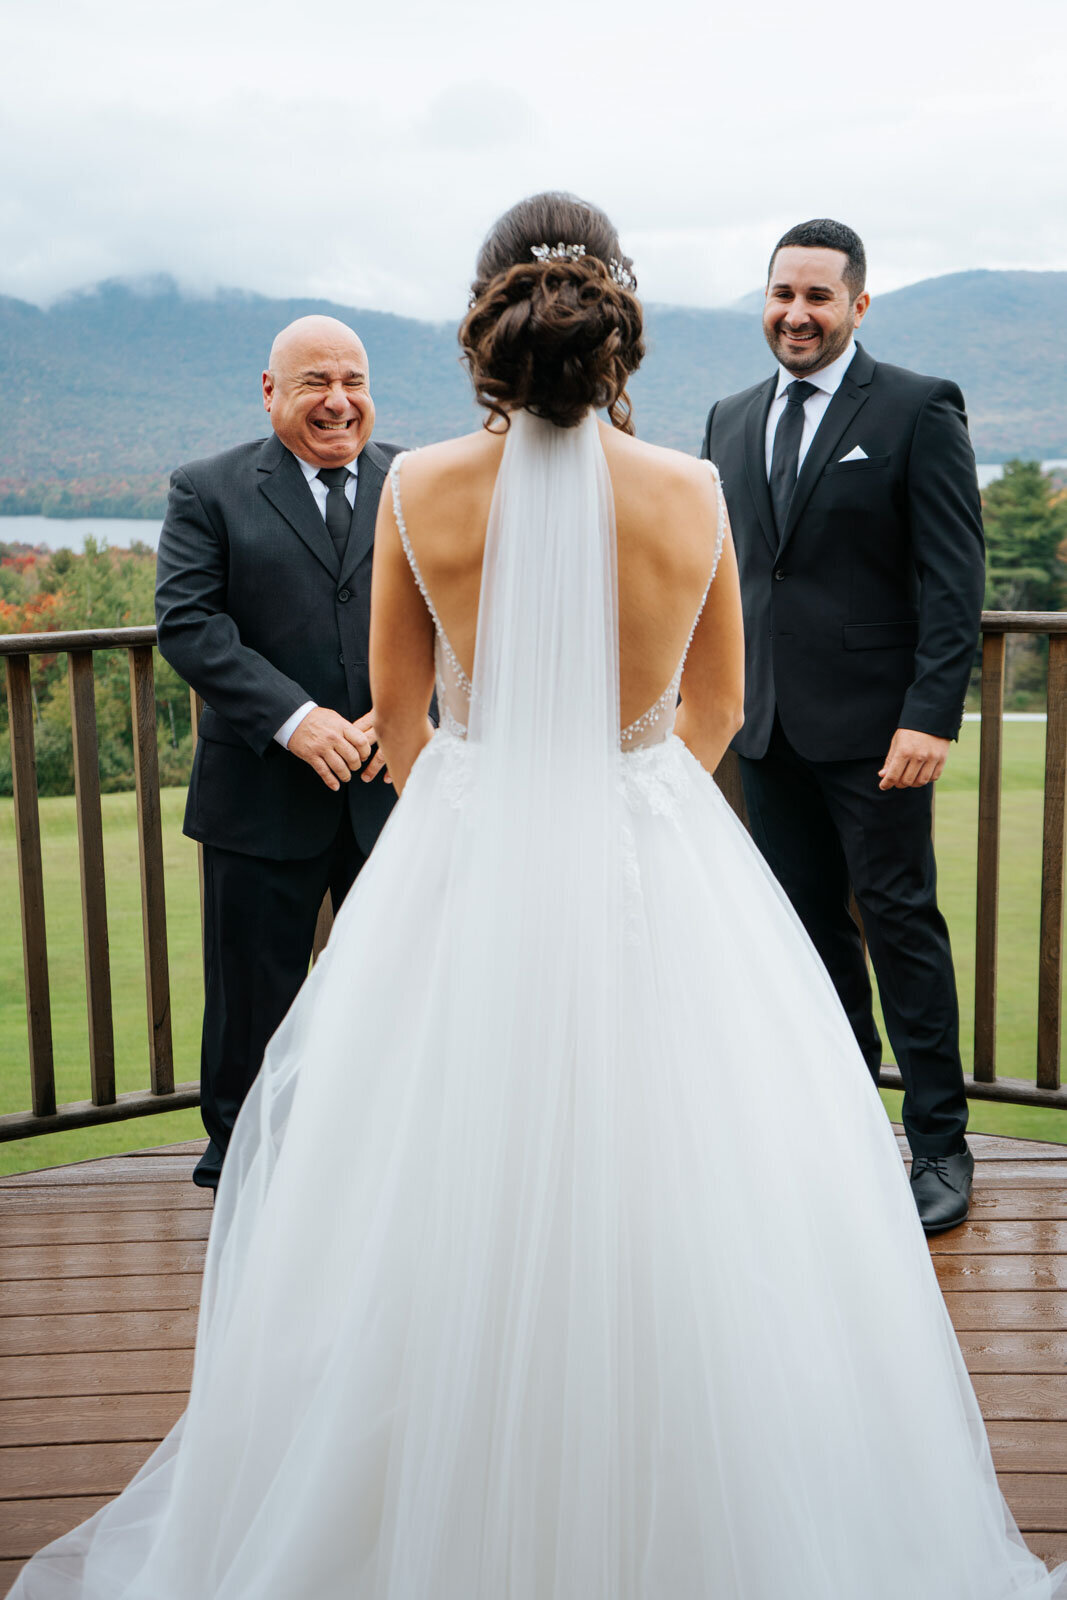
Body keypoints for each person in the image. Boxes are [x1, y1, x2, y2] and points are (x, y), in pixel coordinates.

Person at [12, 195, 1062, 1599]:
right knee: (694, 1171)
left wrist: (508, 799)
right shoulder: (687, 488)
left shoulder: (420, 488)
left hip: (471, 845)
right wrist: (625, 801)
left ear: (483, 319)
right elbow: (720, 704)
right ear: (615, 316)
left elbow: (397, 716)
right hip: (651, 850)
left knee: (432, 1173)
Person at [701, 219, 985, 1234]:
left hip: (878, 738)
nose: (796, 313)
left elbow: (953, 582)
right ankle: (839, 1132)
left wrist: (928, 715)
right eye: (782, 294)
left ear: (857, 305)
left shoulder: (914, 407)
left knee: (900, 930)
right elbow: (719, 579)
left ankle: (941, 1145)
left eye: (819, 297)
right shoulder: (727, 418)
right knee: (803, 942)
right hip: (763, 733)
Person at [154, 316, 400, 1193]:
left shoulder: (416, 482)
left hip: (392, 789)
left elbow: (459, 619)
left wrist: (393, 716)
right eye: (314, 383)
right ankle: (243, 1165)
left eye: (354, 381)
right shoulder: (207, 488)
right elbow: (188, 624)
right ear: (270, 391)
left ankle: (378, 1158)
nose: (338, 402)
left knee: (396, 992)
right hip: (260, 793)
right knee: (251, 1002)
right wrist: (297, 720)